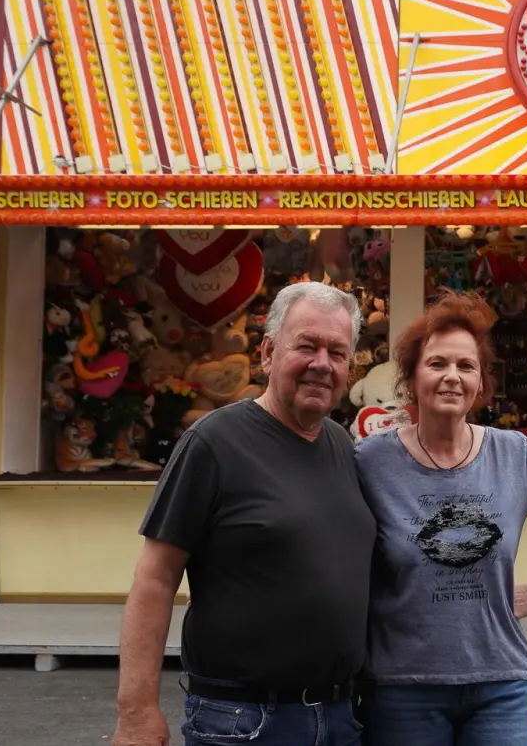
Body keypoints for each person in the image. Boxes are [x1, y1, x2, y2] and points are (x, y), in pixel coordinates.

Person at [354, 292, 527, 745]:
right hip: (402, 688)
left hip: (500, 686)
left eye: (466, 366)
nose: (451, 377)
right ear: (411, 376)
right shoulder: (370, 462)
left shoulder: (512, 455)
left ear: (481, 383)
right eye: (437, 363)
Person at [113, 282, 376, 746]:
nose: (322, 364)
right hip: (244, 721)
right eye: (307, 346)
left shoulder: (341, 444)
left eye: (337, 352)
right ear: (268, 353)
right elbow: (154, 579)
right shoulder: (214, 443)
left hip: (339, 718)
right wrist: (136, 712)